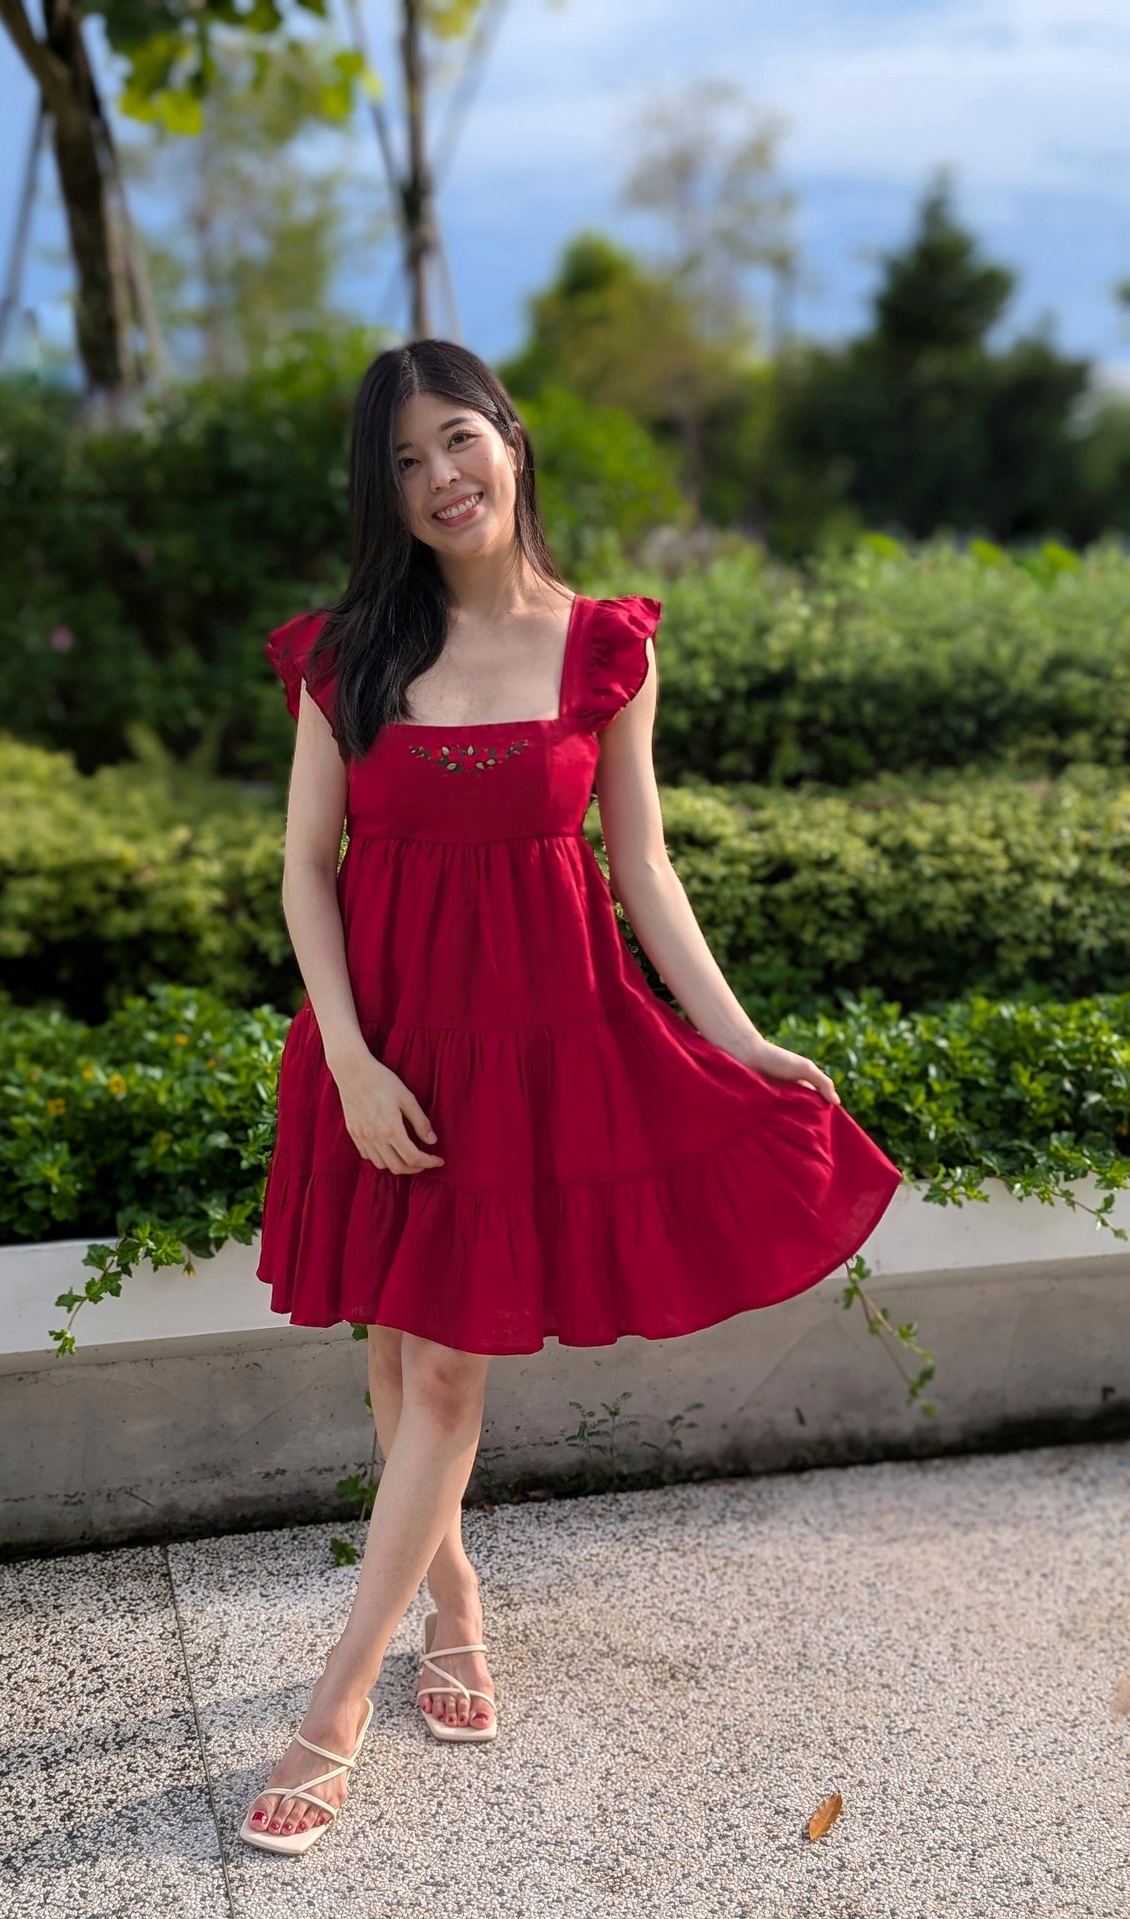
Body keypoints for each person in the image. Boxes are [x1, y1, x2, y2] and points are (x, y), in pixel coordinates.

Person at [240, 340, 904, 1855]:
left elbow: (642, 864)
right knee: (405, 1356)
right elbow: (303, 870)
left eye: (456, 441)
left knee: (452, 1374)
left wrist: (733, 1037)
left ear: (511, 442)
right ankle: (453, 1599)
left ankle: (335, 1700)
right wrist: (346, 1055)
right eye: (402, 464)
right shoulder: (348, 655)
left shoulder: (604, 645)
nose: (439, 481)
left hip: (542, 1046)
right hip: (392, 1045)